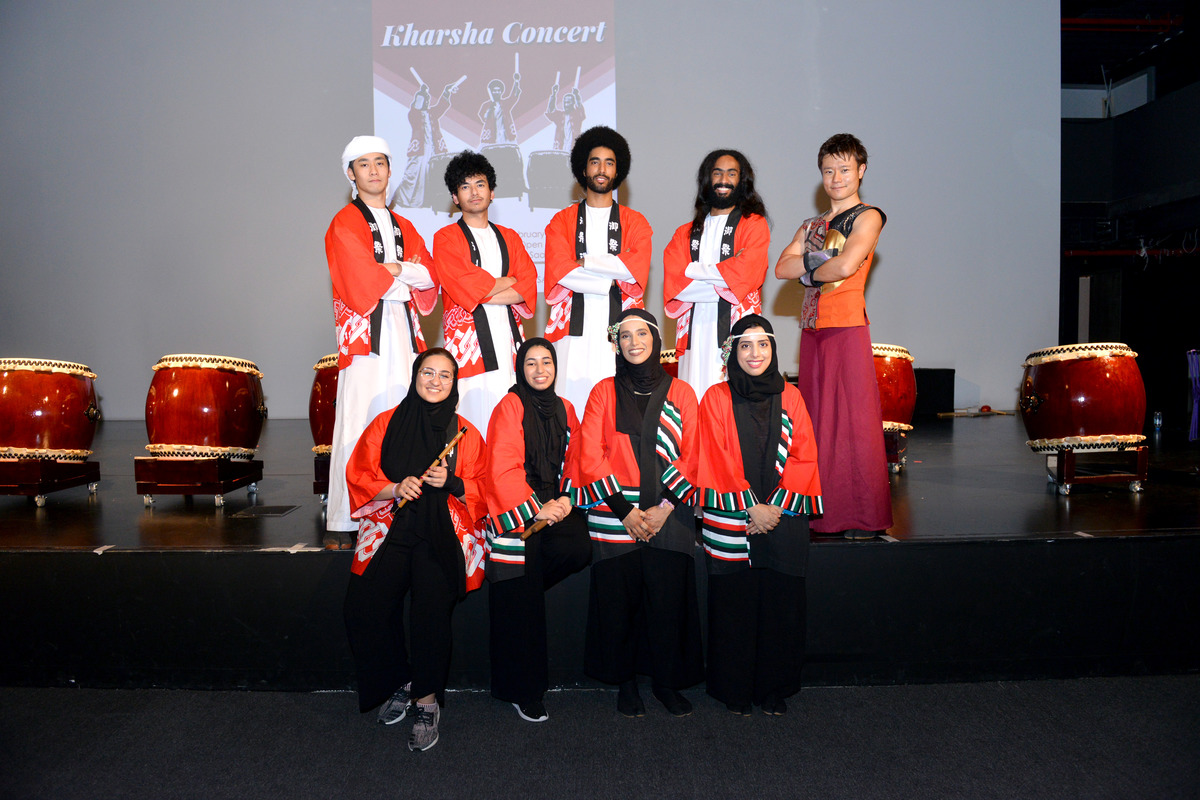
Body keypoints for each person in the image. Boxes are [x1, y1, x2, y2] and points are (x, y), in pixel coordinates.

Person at [342, 348, 487, 752]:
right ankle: (401, 681)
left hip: (442, 533)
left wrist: (452, 482)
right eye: (428, 372)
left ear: (454, 383)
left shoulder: (465, 432)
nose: (435, 381)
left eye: (445, 375)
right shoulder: (386, 422)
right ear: (415, 376)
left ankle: (426, 701)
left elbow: (484, 488)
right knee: (363, 607)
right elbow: (359, 474)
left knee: (430, 616)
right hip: (393, 528)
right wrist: (395, 487)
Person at [576, 309, 704, 717]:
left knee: (667, 602)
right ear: (617, 344)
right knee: (619, 604)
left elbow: (693, 454)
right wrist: (625, 512)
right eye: (625, 336)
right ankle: (625, 683)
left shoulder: (682, 392)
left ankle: (666, 683)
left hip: (669, 512)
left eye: (642, 334)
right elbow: (590, 454)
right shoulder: (603, 392)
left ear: (655, 339)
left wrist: (663, 509)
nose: (634, 342)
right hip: (615, 513)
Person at [698, 315, 822, 716]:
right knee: (734, 607)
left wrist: (775, 508)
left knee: (780, 608)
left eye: (763, 344)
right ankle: (733, 689)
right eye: (746, 345)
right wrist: (751, 505)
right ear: (732, 352)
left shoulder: (792, 396)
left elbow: (804, 454)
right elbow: (715, 456)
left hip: (783, 517)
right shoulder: (715, 397)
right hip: (733, 516)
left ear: (773, 349)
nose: (755, 353)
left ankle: (773, 689)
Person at [774, 132, 891, 540]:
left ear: (861, 171)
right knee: (817, 423)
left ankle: (862, 515)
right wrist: (823, 259)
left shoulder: (868, 216)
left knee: (855, 424)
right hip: (813, 332)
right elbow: (781, 269)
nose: (836, 178)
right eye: (828, 170)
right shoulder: (811, 224)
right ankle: (821, 513)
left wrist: (807, 268)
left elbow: (845, 267)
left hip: (847, 328)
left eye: (844, 169)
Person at [324, 135, 437, 539]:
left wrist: (393, 269)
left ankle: (399, 510)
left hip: (403, 337)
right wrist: (404, 273)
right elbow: (360, 281)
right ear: (350, 174)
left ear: (390, 171)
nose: (373, 171)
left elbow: (429, 276)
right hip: (365, 341)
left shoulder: (406, 225)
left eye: (380, 163)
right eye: (364, 164)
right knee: (360, 418)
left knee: (402, 419)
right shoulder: (344, 223)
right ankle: (346, 517)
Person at [484, 338, 591, 723]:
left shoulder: (566, 408)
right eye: (531, 363)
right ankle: (523, 692)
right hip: (516, 506)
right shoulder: (510, 406)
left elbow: (577, 459)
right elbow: (503, 466)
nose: (540, 369)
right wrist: (536, 507)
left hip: (552, 501)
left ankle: (519, 589)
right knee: (520, 583)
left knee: (579, 547)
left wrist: (565, 498)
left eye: (547, 362)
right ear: (520, 369)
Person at [543, 126, 652, 412]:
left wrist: (586, 262)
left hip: (619, 332)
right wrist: (610, 279)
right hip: (572, 331)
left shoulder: (635, 222)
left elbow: (634, 269)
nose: (602, 169)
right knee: (569, 407)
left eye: (609, 163)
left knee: (617, 410)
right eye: (595, 162)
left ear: (618, 171)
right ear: (584, 169)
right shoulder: (561, 221)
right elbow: (560, 271)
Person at [432, 151, 537, 433]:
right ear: (455, 197)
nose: (474, 192)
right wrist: (508, 280)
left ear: (492, 192)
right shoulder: (445, 239)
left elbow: (528, 284)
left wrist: (481, 290)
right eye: (465, 187)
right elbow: (463, 286)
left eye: (480, 184)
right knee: (472, 422)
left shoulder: (510, 237)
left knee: (512, 423)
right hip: (469, 346)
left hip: (509, 341)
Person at [663, 149, 770, 400]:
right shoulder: (684, 233)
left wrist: (693, 270)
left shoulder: (754, 225)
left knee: (732, 405)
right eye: (717, 173)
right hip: (694, 335)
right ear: (707, 179)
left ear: (742, 181)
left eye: (731, 174)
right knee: (693, 400)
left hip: (737, 330)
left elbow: (747, 275)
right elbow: (676, 285)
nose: (724, 180)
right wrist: (726, 276)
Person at [395, 80, 457, 208]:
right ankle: (408, 201)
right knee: (414, 174)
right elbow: (416, 107)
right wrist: (422, 92)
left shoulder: (432, 113)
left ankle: (428, 201)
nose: (424, 102)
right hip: (420, 150)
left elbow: (441, 106)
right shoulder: (414, 115)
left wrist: (446, 92)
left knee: (432, 174)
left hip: (433, 149)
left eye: (426, 99)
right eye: (422, 99)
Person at [478, 76, 521, 146]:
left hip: (506, 133)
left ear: (501, 92)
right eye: (494, 91)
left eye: (498, 90)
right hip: (491, 134)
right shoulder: (486, 105)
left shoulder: (505, 104)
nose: (496, 92)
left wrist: (516, 82)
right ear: (491, 92)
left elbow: (513, 97)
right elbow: (482, 117)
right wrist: (490, 110)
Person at [544, 83, 585, 151]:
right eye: (564, 102)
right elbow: (551, 111)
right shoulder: (560, 116)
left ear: (573, 103)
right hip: (561, 149)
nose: (566, 105)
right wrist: (553, 94)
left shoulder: (576, 116)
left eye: (568, 102)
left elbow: (580, 109)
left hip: (573, 149)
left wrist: (577, 96)